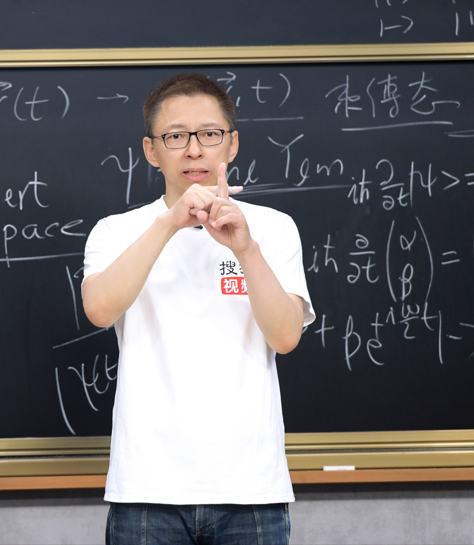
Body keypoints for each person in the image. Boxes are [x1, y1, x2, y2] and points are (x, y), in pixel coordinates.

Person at [81, 73, 316, 544]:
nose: (193, 150)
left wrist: (245, 250)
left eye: (209, 134)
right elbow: (100, 310)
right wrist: (170, 222)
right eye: (175, 137)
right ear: (151, 151)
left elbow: (286, 336)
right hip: (147, 487)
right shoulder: (115, 231)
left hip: (251, 487)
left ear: (232, 144)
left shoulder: (272, 228)